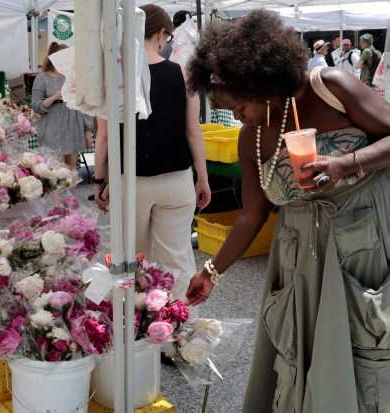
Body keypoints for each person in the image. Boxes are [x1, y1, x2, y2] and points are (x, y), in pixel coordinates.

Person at [185, 9, 390, 412]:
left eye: (238, 105)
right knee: (303, 350)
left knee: (363, 344)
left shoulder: (329, 85)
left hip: (362, 240)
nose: (236, 115)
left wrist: (345, 165)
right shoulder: (250, 138)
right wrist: (210, 272)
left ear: (258, 82)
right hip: (300, 258)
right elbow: (252, 215)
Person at [94, 4, 211, 302]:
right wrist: (203, 177)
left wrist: (99, 180)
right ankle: (184, 334)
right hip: (176, 178)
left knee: (128, 262)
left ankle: (132, 333)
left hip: (128, 181)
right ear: (161, 33)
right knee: (179, 260)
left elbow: (104, 136)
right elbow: (192, 130)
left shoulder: (112, 77)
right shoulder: (182, 74)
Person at [31, 42, 93, 173]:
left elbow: (84, 104)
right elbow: (36, 106)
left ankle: (71, 195)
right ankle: (60, 194)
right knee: (56, 168)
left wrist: (88, 130)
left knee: (72, 166)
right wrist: (53, 98)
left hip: (73, 123)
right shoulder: (42, 78)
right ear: (55, 58)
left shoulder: (74, 76)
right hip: (52, 125)